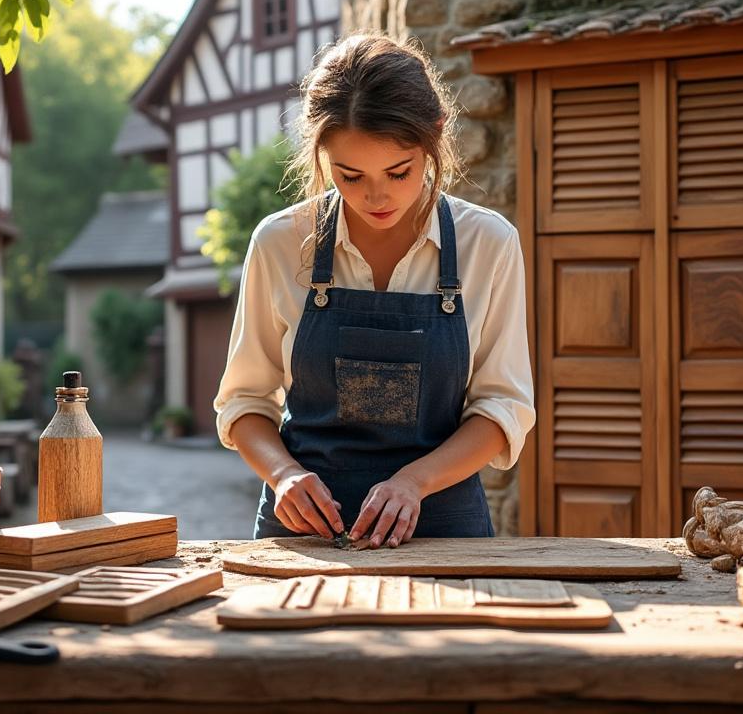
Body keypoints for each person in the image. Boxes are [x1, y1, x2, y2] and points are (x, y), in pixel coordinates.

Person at [214, 32, 534, 548]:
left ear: (436, 134)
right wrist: (283, 476)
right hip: (305, 535)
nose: (376, 195)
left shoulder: (489, 243)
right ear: (320, 156)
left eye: (398, 171)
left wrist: (414, 482)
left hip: (443, 528)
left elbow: (502, 408)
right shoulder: (279, 243)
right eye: (350, 175)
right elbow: (246, 401)